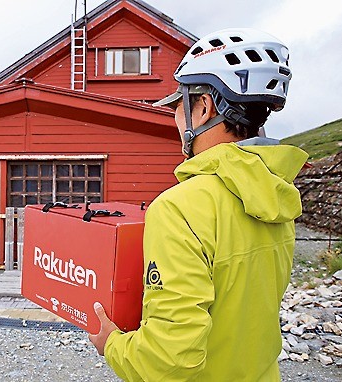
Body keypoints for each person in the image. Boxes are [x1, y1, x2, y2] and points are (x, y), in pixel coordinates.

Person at [87, 28, 305, 381]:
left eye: (178, 105)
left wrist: (112, 344)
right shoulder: (279, 195)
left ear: (202, 108)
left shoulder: (179, 208)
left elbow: (168, 359)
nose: (175, 118)